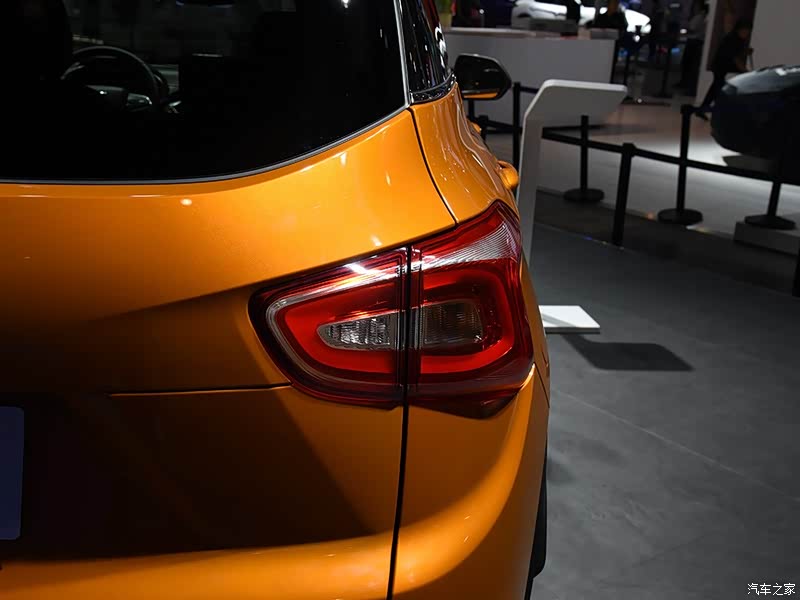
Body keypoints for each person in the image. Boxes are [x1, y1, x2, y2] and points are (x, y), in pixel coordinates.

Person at [696, 17, 752, 118]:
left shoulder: (736, 38)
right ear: (740, 29)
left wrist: (745, 53)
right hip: (721, 66)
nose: (747, 34)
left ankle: (704, 109)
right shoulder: (733, 39)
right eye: (746, 31)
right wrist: (745, 71)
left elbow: (736, 55)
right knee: (718, 88)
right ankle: (713, 110)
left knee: (716, 88)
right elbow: (735, 58)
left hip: (722, 66)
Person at [676, 1, 708, 92]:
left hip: (694, 42)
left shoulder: (699, 17)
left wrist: (684, 30)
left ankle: (686, 84)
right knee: (689, 64)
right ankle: (685, 83)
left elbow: (692, 29)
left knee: (689, 64)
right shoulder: (701, 17)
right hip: (695, 41)